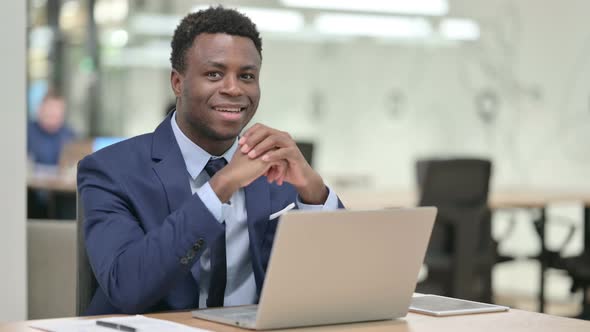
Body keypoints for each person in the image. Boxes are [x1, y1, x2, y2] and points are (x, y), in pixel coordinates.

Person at [77, 6, 344, 315]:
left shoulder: (272, 165)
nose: (233, 88)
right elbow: (127, 287)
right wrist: (222, 186)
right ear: (177, 83)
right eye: (214, 74)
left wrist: (314, 192)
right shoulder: (111, 171)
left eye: (246, 76)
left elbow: (329, 281)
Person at [27, 90, 76, 166]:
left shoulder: (69, 135)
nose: (53, 112)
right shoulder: (27, 132)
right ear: (40, 110)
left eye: (57, 109)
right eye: (50, 108)